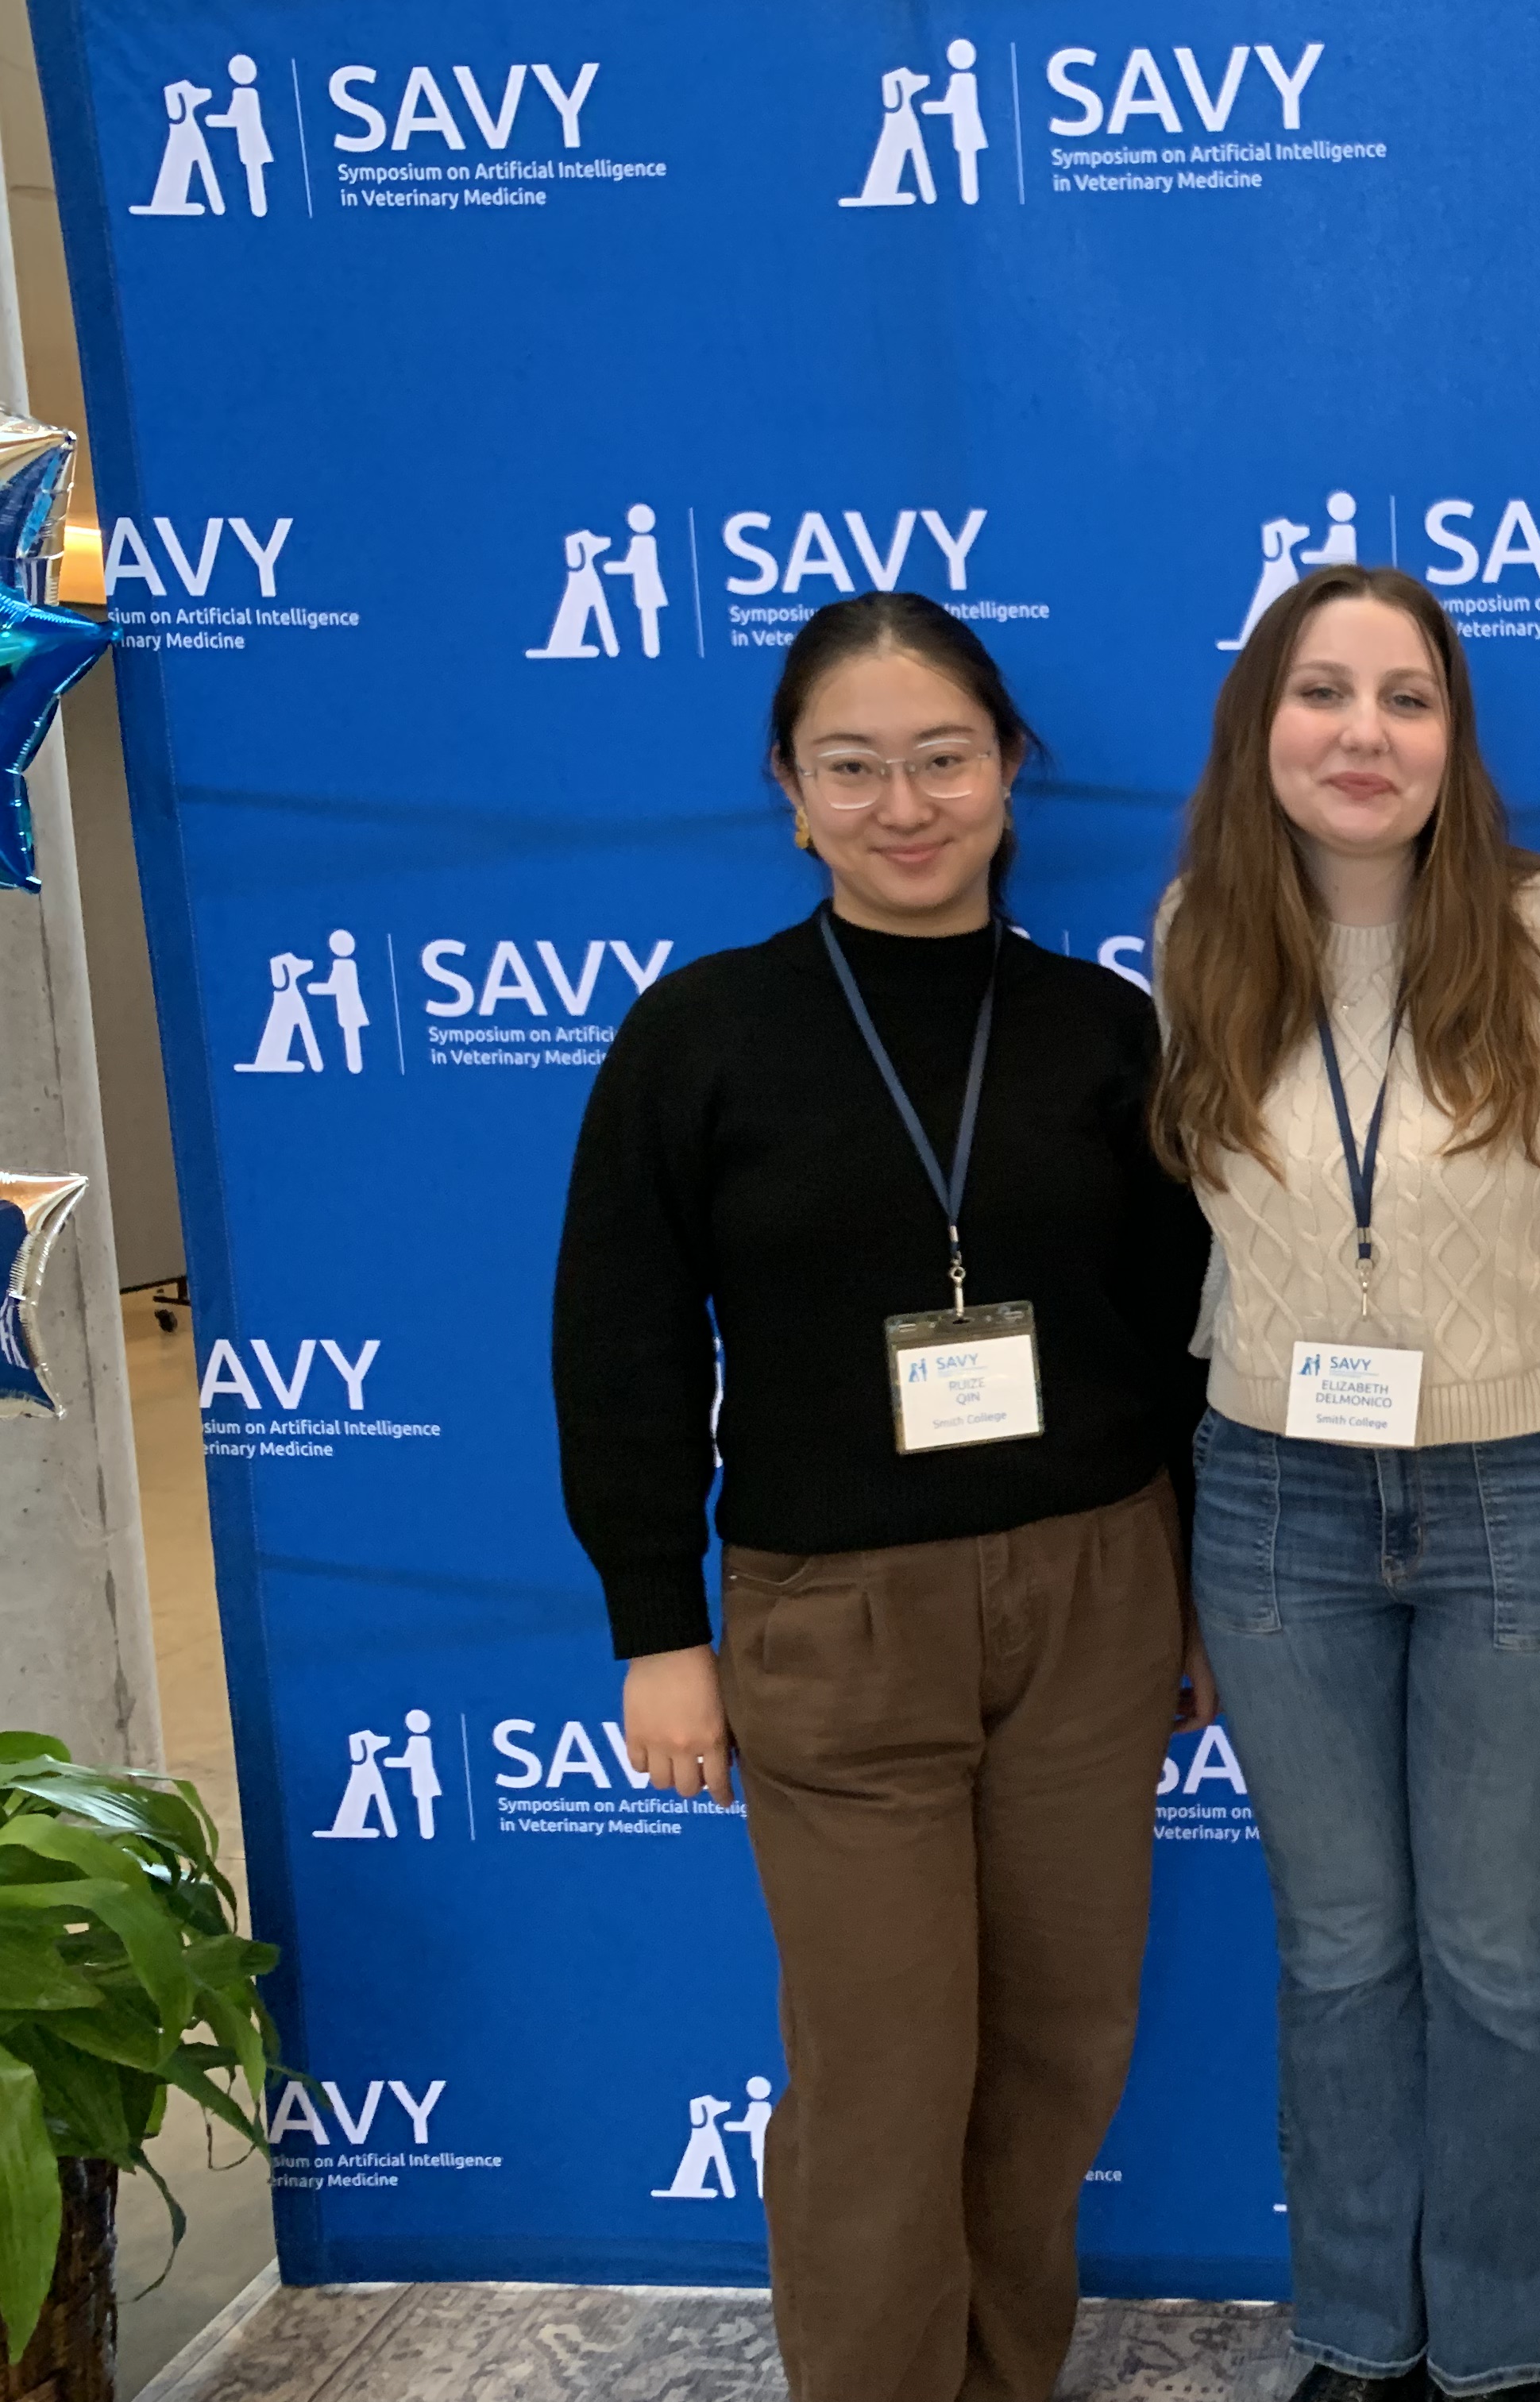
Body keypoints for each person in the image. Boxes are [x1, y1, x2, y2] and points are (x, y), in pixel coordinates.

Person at [552, 591, 1213, 2402]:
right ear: (791, 792)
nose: (902, 803)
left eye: (942, 759)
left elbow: (1183, 1346)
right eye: (853, 767)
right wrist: (654, 1635)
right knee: (885, 2071)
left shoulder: (1100, 1032)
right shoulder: (702, 1036)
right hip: (831, 1621)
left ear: (1011, 776)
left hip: (1095, 1598)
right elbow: (617, 1352)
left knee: (1064, 2046)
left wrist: (1201, 1596)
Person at [1152, 562, 1540, 2402]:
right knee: (1343, 1949)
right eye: (1325, 694)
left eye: (1408, 698)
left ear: (1456, 735)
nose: (1366, 735)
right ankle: (1360, 2336)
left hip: (1525, 1489)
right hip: (1276, 1496)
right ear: (1260, 727)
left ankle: (1513, 2352)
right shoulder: (1200, 931)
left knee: (1503, 1956)